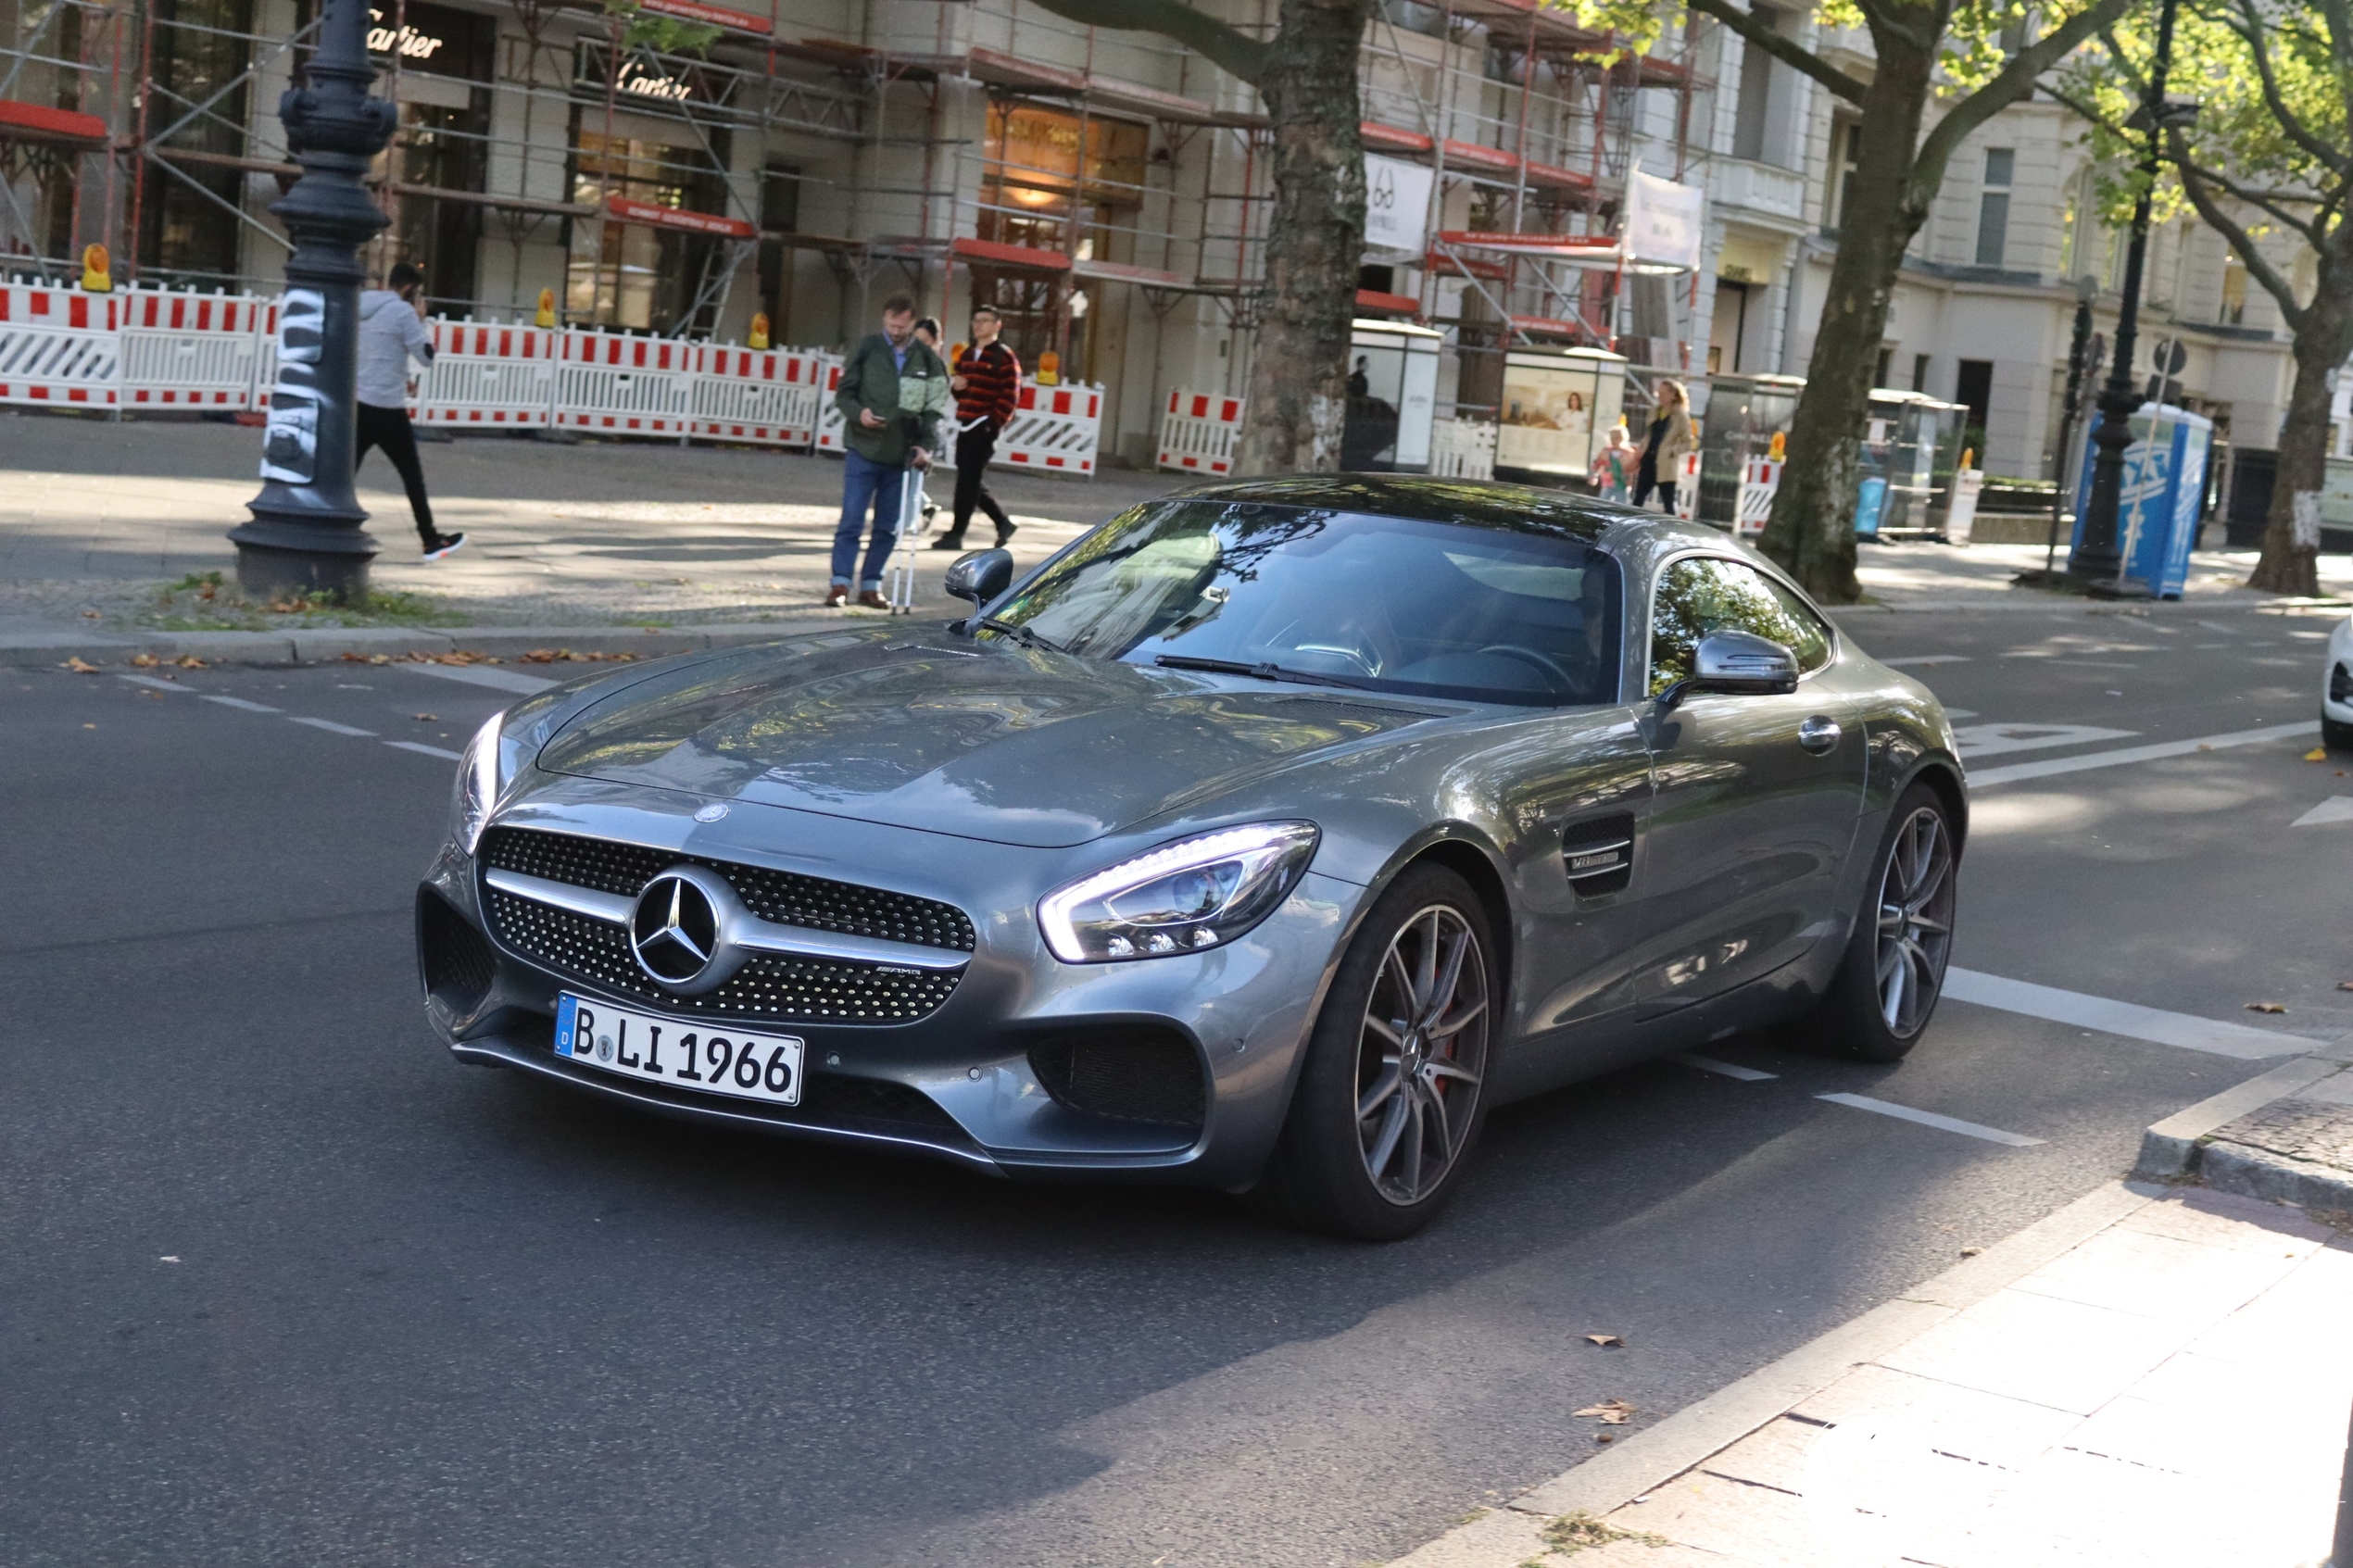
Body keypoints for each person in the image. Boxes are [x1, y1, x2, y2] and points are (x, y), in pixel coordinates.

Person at [830, 294, 948, 608]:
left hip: (901, 453)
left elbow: (934, 407)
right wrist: (860, 414)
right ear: (884, 319)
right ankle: (840, 583)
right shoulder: (867, 348)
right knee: (852, 519)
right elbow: (844, 394)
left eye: (902, 324)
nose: (896, 330)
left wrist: (926, 445)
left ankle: (871, 585)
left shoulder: (926, 358)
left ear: (912, 321)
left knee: (888, 525)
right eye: (891, 323)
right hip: (863, 447)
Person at [355, 261, 464, 560]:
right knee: (412, 475)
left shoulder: (364, 304)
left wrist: (402, 378)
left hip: (359, 402)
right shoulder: (404, 312)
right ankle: (429, 539)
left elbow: (377, 348)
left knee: (345, 469)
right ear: (409, 289)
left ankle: (324, 523)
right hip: (387, 409)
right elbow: (427, 356)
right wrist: (420, 319)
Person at [931, 305, 1022, 551]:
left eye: (984, 320)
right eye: (976, 320)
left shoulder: (1004, 357)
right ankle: (1002, 522)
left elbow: (1011, 395)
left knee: (967, 481)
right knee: (969, 479)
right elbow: (962, 392)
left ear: (997, 325)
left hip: (984, 426)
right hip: (966, 422)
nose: (978, 325)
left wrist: (994, 424)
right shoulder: (968, 354)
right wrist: (957, 389)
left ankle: (956, 533)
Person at [1631, 379, 1695, 513]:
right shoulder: (1654, 411)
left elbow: (1687, 443)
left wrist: (1672, 451)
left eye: (1663, 393)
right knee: (1638, 498)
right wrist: (1641, 448)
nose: (1660, 396)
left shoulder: (1680, 416)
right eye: (1658, 393)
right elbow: (1649, 434)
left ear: (1673, 396)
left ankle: (1673, 528)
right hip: (1649, 459)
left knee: (1668, 501)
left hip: (1665, 464)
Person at [1590, 422, 1634, 503]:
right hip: (1607, 482)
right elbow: (1598, 464)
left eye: (1617, 438)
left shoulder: (1628, 453)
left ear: (1623, 438)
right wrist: (1594, 476)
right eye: (1612, 438)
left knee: (1620, 504)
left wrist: (1630, 480)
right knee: (1603, 503)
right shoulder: (1606, 451)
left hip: (1622, 484)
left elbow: (1632, 469)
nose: (1614, 440)